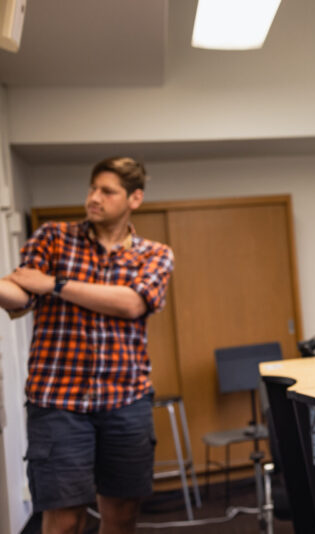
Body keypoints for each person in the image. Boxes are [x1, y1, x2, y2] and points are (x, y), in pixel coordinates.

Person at [0, 156, 174, 534]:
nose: (94, 198)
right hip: (58, 401)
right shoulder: (53, 237)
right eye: (92, 188)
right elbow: (21, 291)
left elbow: (132, 303)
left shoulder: (155, 254)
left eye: (107, 191)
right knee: (63, 520)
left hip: (126, 400)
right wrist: (18, 287)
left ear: (134, 199)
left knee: (122, 515)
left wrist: (56, 285)